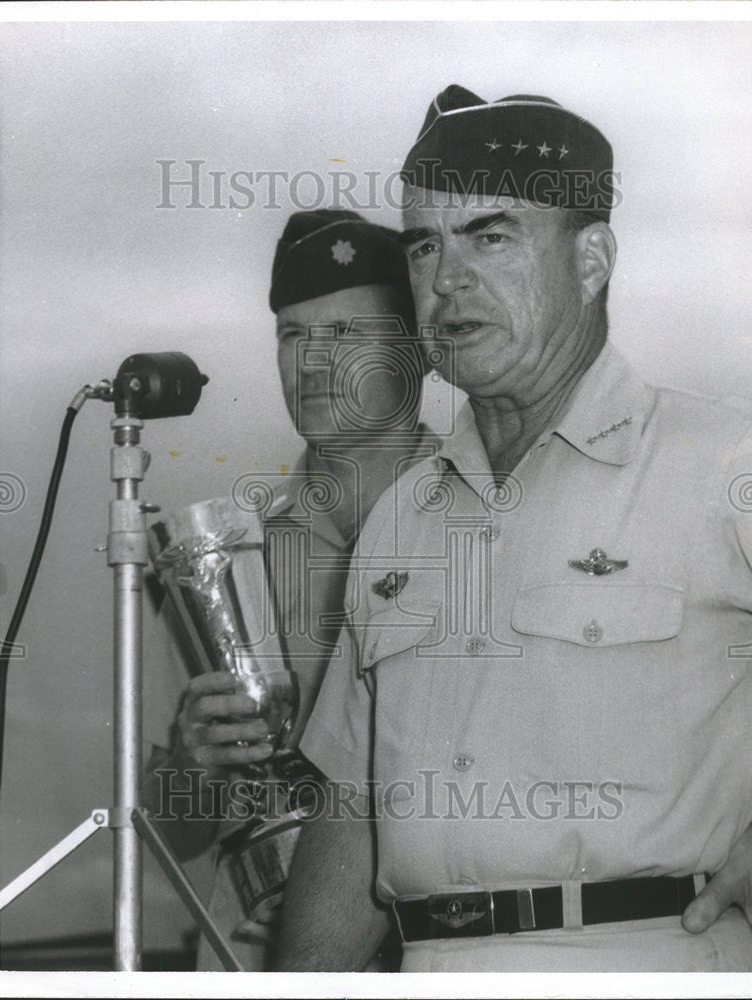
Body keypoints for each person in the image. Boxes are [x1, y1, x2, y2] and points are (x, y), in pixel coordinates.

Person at [276, 87, 752, 972]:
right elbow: (352, 814)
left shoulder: (727, 464)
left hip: (642, 954)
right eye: (425, 244)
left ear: (593, 258)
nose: (447, 277)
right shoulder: (402, 517)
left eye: (491, 235)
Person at [141, 209, 436, 970]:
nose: (311, 363)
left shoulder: (500, 520)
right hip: (261, 955)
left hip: (448, 945)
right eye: (292, 335)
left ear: (418, 350)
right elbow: (170, 831)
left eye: (344, 334)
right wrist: (191, 770)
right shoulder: (221, 560)